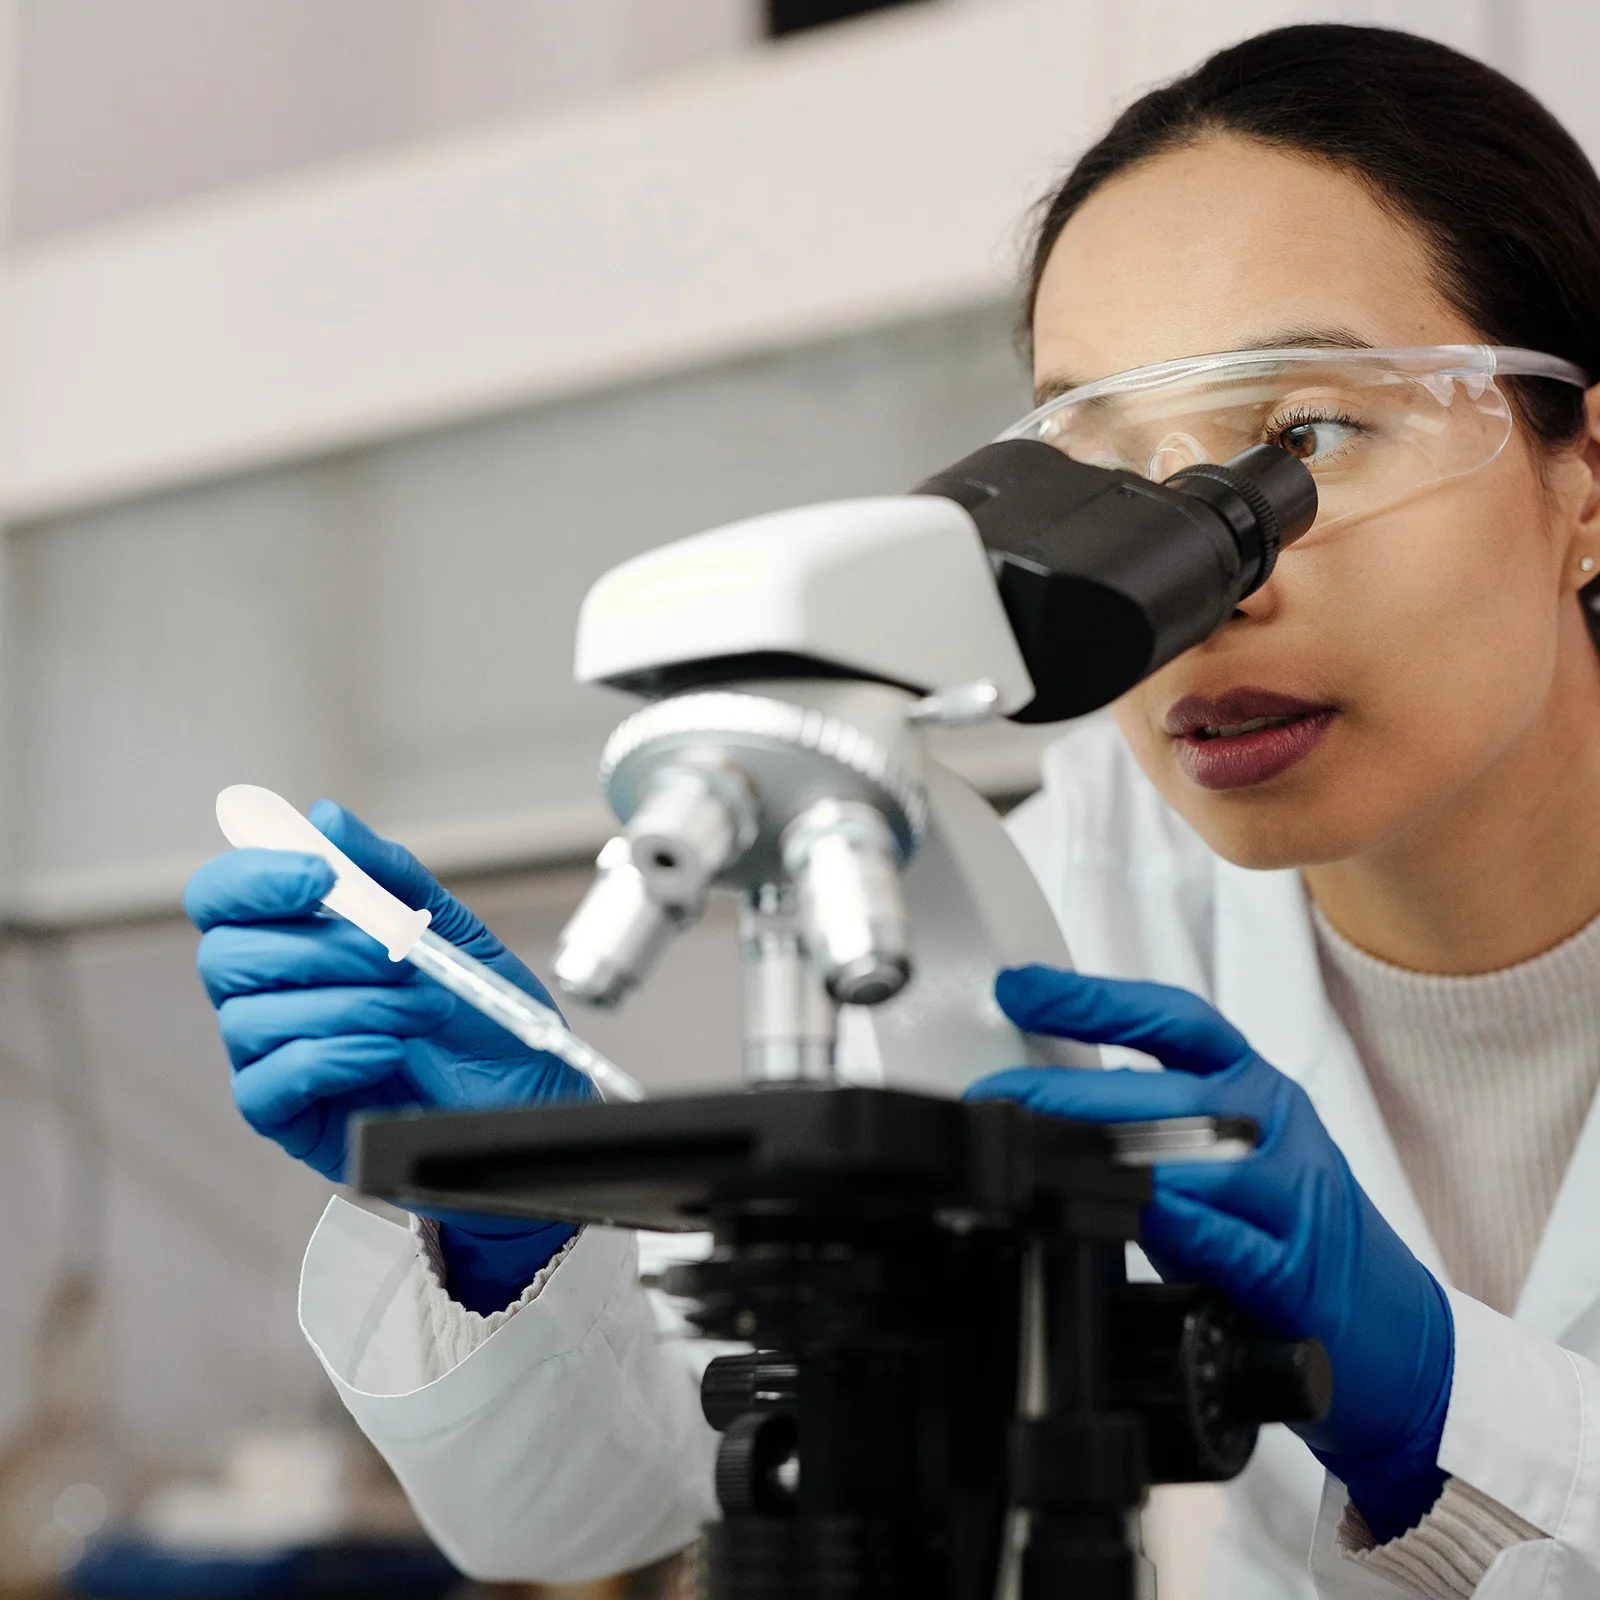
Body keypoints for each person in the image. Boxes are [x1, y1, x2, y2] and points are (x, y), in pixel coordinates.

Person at [182, 23, 1600, 1600]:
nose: (1204, 599)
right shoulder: (1047, 893)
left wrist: (1440, 1411)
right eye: (1107, 470)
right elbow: (600, 1514)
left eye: (1305, 439)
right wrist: (516, 1218)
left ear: (1585, 476)